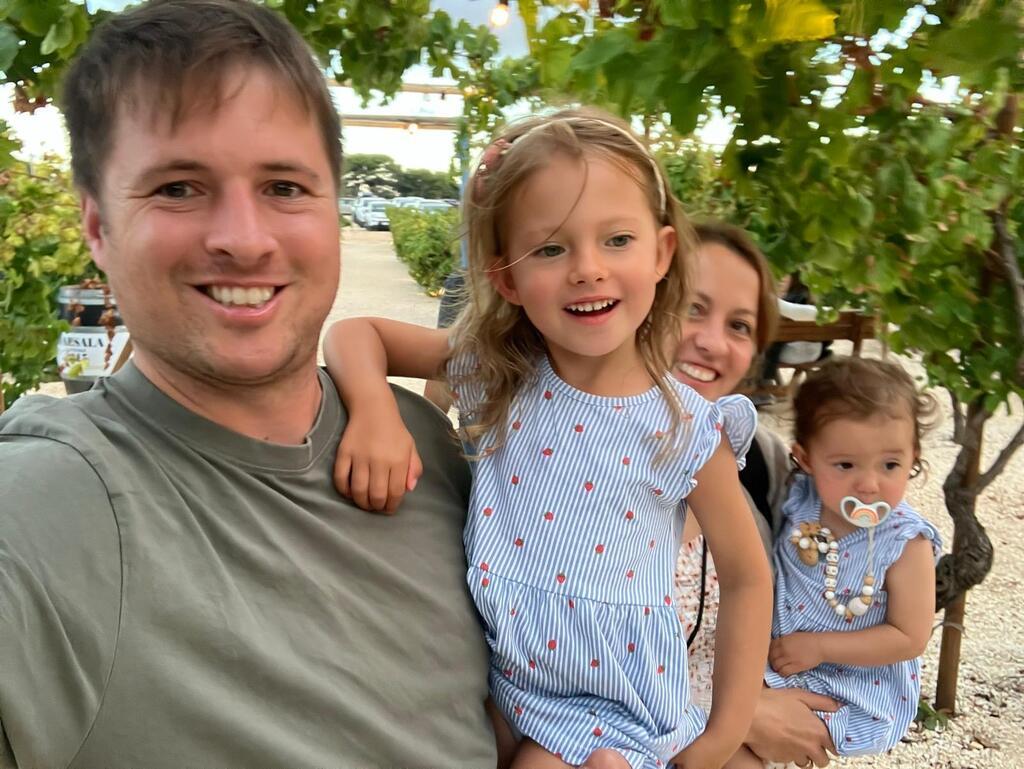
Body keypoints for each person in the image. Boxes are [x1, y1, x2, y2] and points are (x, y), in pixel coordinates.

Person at [0, 1, 496, 767]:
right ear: (97, 227)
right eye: (178, 187)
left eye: (285, 187)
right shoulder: (47, 508)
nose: (244, 238)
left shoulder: (425, 446)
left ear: (333, 208)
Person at [323, 109, 773, 769]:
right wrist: (372, 412)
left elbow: (747, 576)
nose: (587, 269)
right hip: (493, 669)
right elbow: (354, 334)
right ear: (507, 277)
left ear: (661, 254)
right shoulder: (499, 371)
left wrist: (724, 734)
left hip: (610, 705)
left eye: (616, 240)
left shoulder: (685, 429)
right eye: (551, 249)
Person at [672, 222, 841, 768]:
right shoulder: (564, 459)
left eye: (739, 326)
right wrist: (736, 716)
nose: (713, 341)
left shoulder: (761, 467)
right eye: (692, 308)